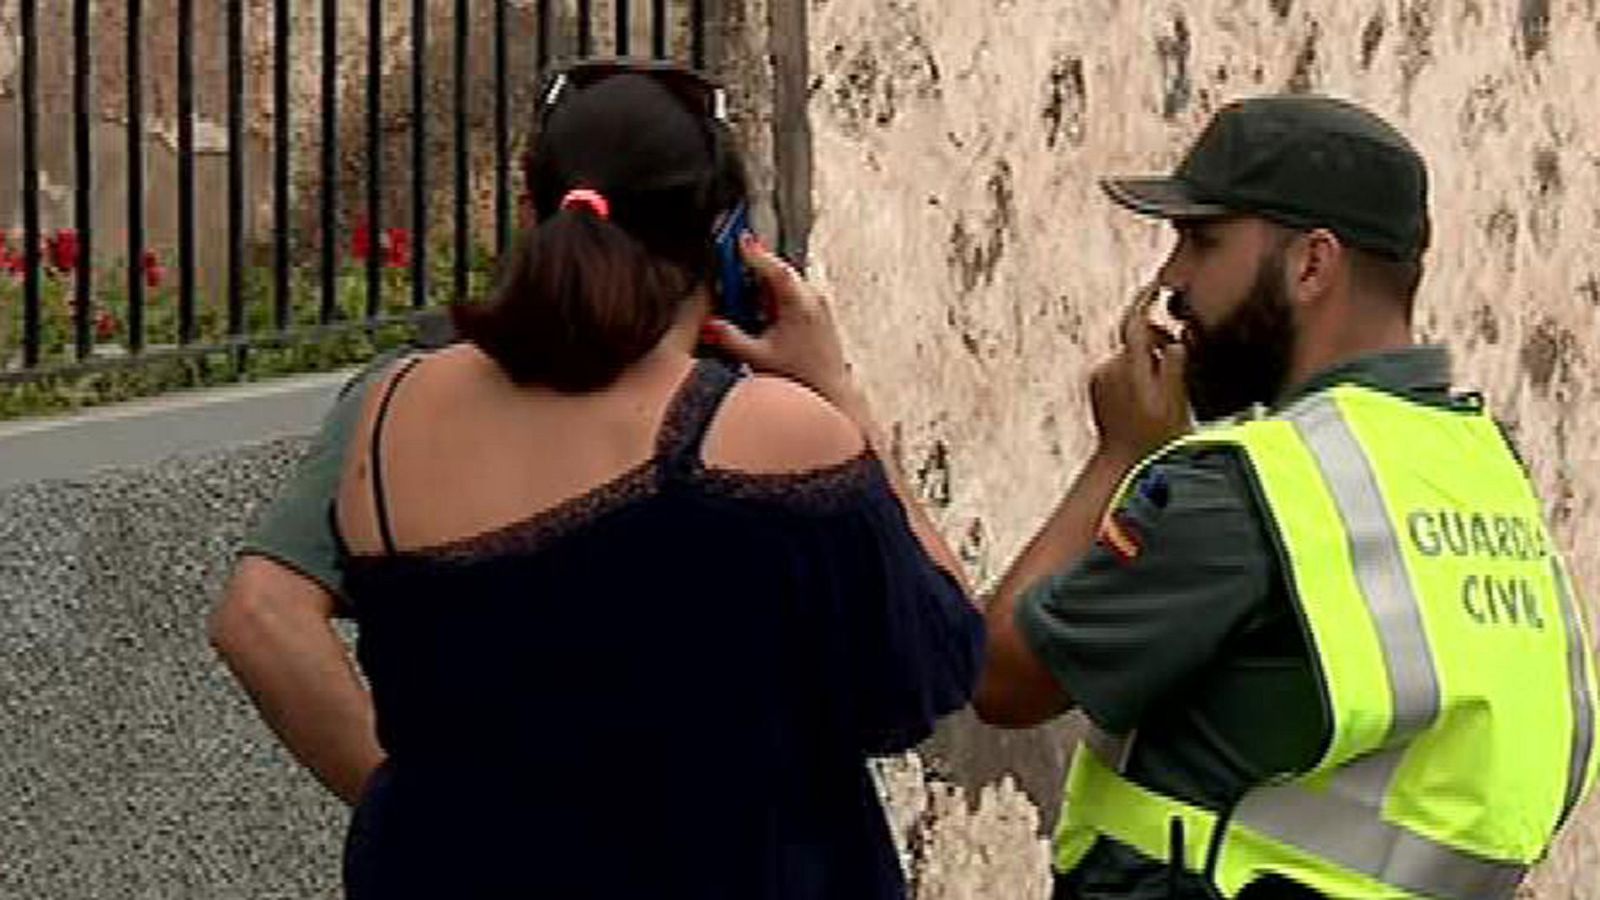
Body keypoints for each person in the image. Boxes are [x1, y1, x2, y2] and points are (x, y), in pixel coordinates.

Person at [212, 59, 984, 899]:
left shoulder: (390, 413)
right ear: (728, 243)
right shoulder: (768, 437)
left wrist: (419, 820)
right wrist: (838, 399)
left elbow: (269, 616)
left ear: (531, 215)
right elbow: (930, 672)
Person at [970, 94, 1598, 899]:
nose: (1170, 281)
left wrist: (1120, 455)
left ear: (1311, 263)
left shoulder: (1246, 487)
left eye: (1202, 241)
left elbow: (998, 679)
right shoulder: (1484, 471)